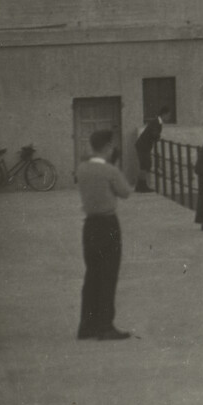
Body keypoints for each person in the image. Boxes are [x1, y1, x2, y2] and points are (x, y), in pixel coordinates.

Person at [75, 128, 134, 341]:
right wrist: (114, 166)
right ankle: (105, 325)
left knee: (92, 275)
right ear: (108, 147)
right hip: (108, 224)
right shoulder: (110, 171)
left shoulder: (82, 168)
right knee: (108, 275)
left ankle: (87, 325)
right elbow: (125, 192)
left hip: (90, 225)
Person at [133, 113, 164, 193]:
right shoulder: (156, 122)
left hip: (143, 146)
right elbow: (154, 133)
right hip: (144, 146)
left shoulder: (156, 121)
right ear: (165, 114)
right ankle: (142, 186)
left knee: (145, 165)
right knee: (145, 165)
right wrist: (158, 137)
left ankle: (140, 186)